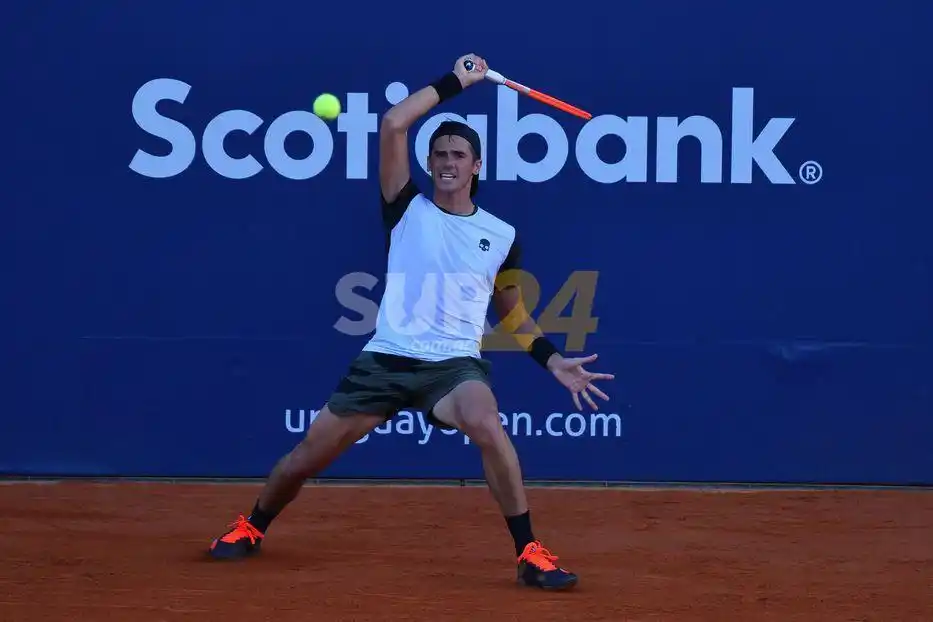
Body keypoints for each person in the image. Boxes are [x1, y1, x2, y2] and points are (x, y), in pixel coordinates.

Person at [207, 53, 614, 590]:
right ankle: (253, 526)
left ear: (477, 167)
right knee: (304, 458)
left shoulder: (501, 234)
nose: (447, 161)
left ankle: (529, 552)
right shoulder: (405, 208)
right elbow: (394, 122)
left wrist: (553, 359)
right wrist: (455, 83)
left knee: (487, 424)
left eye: (458, 154)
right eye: (439, 153)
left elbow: (511, 313)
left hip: (454, 367)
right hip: (385, 360)